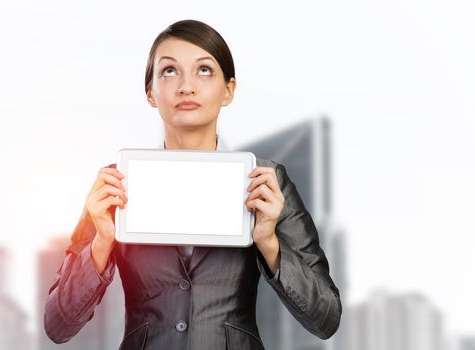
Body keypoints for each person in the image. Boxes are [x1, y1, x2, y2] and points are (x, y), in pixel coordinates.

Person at [44, 19, 342, 350]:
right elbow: (57, 326)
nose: (187, 86)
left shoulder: (265, 182)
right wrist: (101, 244)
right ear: (150, 93)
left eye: (204, 70)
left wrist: (269, 244)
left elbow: (326, 319)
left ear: (228, 90)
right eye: (169, 71)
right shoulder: (115, 184)